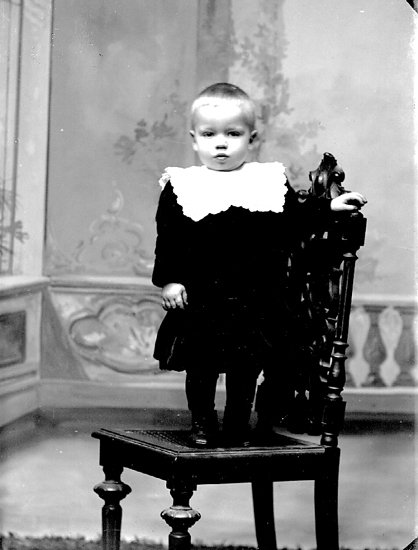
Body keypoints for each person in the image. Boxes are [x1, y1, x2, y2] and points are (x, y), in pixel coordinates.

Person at [152, 83, 366, 447]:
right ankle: (203, 421)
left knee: (246, 367)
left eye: (233, 134)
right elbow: (169, 238)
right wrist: (171, 281)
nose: (221, 144)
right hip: (204, 298)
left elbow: (296, 219)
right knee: (202, 366)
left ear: (252, 139)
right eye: (209, 135)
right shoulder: (183, 185)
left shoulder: (267, 181)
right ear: (194, 139)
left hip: (256, 299)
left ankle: (237, 423)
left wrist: (328, 207)